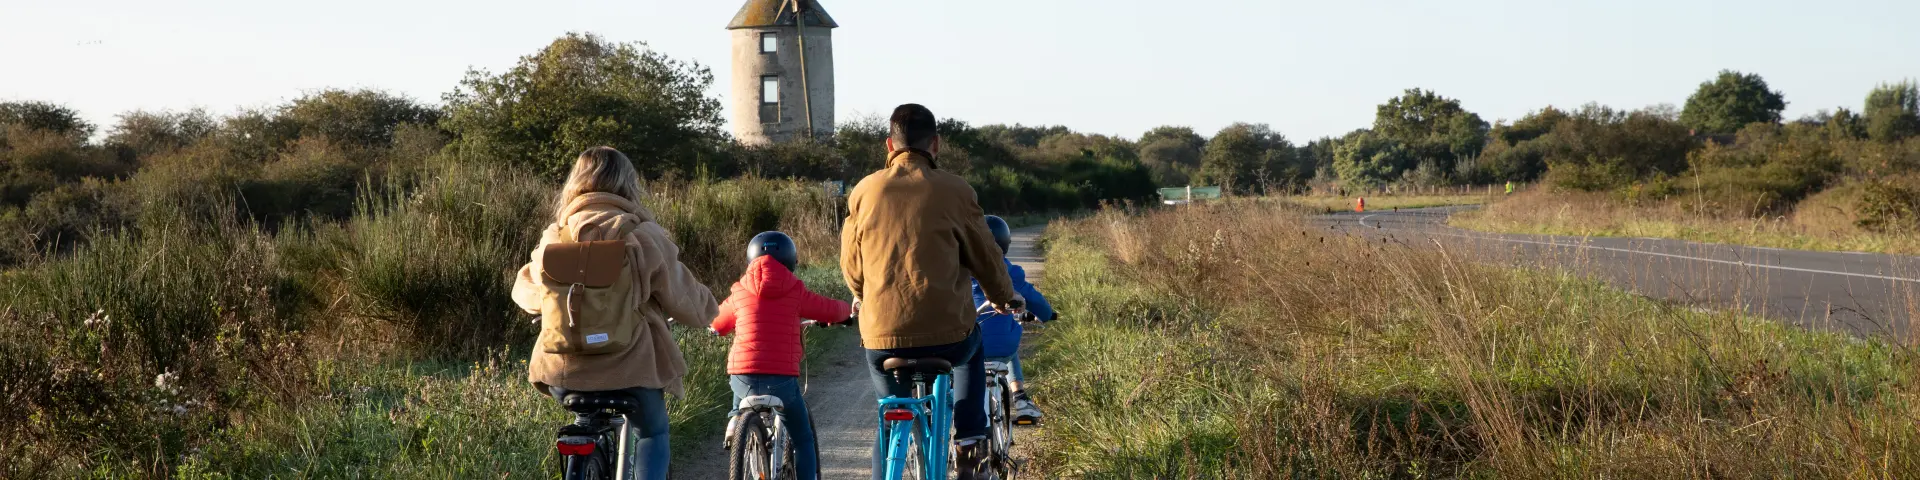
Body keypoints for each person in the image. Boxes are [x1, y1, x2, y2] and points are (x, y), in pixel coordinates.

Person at [511, 146, 719, 480]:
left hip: (565, 374)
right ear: (628, 184)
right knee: (653, 433)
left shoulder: (554, 237)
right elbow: (689, 302)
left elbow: (526, 292)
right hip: (630, 371)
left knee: (580, 409)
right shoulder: (641, 235)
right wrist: (712, 312)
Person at [841, 103, 1022, 480]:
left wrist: (861, 292)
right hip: (948, 336)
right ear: (935, 144)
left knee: (889, 417)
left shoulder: (864, 191)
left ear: (889, 145)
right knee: (971, 348)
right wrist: (1005, 298)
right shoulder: (956, 191)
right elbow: (987, 257)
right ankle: (969, 445)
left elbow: (851, 265)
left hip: (881, 336)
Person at [709, 231, 853, 480]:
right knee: (802, 439)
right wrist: (847, 312)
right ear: (790, 260)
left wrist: (714, 326)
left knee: (741, 373)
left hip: (744, 378)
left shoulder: (739, 291)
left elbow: (717, 324)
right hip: (782, 382)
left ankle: (735, 419)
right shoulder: (795, 290)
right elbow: (828, 308)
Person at [971, 215, 1056, 425]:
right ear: (1005, 243)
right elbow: (1034, 299)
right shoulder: (1011, 272)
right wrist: (1048, 315)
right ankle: (1019, 398)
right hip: (1001, 348)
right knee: (1009, 348)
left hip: (967, 342)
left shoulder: (958, 272)